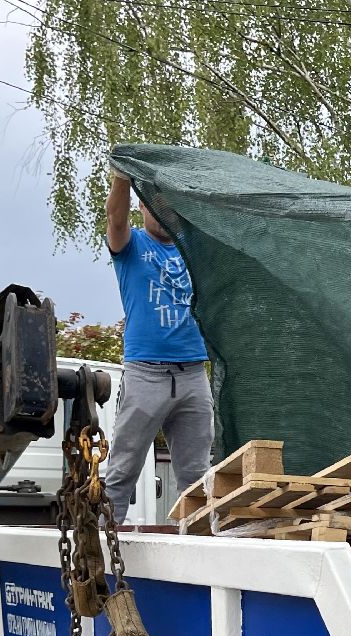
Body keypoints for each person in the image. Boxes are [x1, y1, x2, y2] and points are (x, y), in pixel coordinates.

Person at [103, 170, 214, 524]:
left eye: (170, 205)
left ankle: (196, 546)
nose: (163, 211)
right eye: (155, 205)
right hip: (146, 373)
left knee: (196, 476)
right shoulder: (131, 245)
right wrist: (121, 177)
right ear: (142, 207)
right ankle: (101, 545)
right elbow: (114, 218)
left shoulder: (192, 250)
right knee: (123, 468)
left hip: (193, 374)